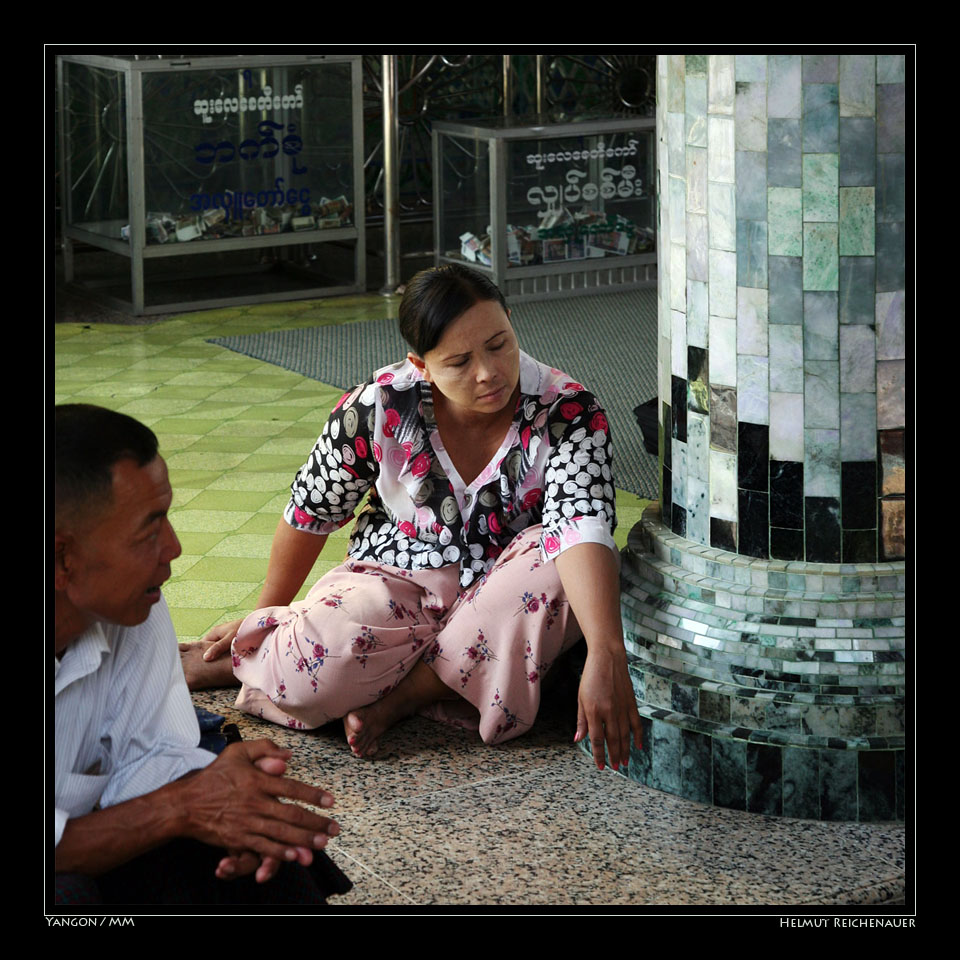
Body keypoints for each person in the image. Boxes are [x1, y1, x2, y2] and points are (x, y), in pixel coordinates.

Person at [182, 265, 642, 771]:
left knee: (553, 567)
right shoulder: (377, 406)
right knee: (309, 671)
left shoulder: (568, 411)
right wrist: (260, 621)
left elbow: (583, 527)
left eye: (498, 344)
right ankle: (275, 659)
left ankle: (401, 699)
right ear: (420, 366)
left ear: (511, 322)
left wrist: (606, 651)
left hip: (506, 592)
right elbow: (309, 512)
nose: (488, 372)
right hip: (395, 583)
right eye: (459, 361)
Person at [53, 404, 350, 906]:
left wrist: (223, 808)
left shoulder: (133, 608)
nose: (174, 547)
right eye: (148, 530)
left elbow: (153, 762)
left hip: (88, 827)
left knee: (254, 857)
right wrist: (180, 808)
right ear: (63, 558)